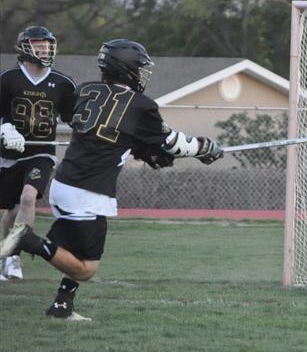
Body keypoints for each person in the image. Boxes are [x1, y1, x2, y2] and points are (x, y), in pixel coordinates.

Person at [0, 39, 224, 321]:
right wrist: (205, 148)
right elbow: (175, 144)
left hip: (65, 183)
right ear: (126, 69)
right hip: (88, 192)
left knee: (75, 251)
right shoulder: (140, 105)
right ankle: (28, 240)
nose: (142, 74)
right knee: (86, 268)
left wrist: (143, 150)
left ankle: (62, 306)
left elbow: (110, 135)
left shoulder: (86, 90)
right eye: (140, 68)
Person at [0, 26, 77, 281]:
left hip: (41, 152)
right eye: (38, 44)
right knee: (10, 209)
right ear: (25, 47)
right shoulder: (8, 79)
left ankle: (13, 255)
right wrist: (4, 128)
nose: (44, 49)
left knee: (28, 198)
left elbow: (74, 118)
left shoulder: (63, 83)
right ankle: (6, 253)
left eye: (47, 44)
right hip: (10, 153)